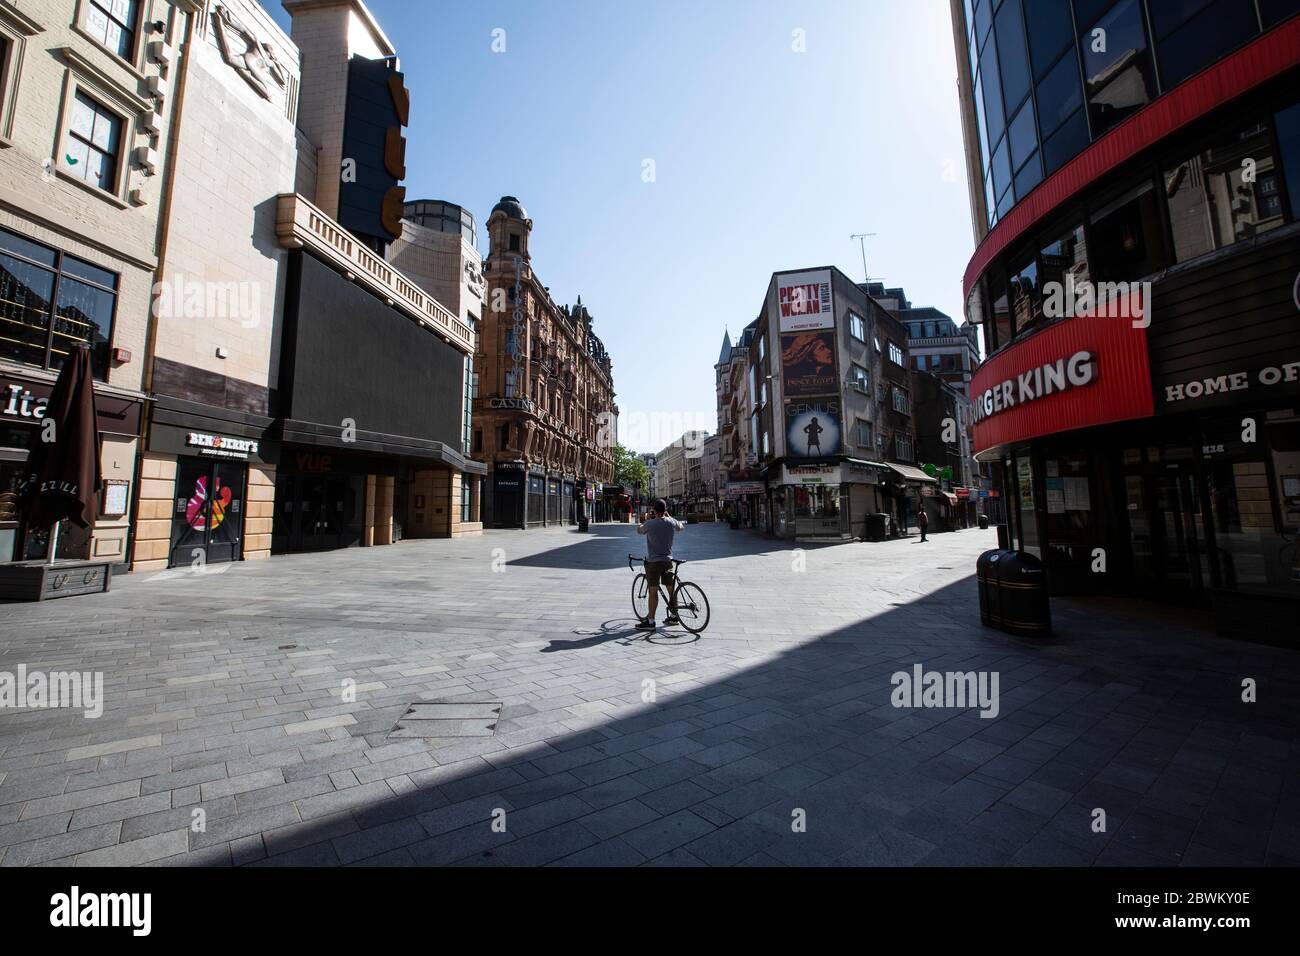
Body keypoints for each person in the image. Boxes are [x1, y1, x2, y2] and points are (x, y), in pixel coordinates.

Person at [636, 497, 685, 630]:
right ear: (665, 510)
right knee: (671, 589)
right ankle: (674, 617)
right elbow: (681, 527)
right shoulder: (670, 521)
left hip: (653, 562)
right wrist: (669, 517)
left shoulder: (650, 524)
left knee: (653, 591)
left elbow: (639, 530)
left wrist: (647, 519)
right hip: (668, 561)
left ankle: (651, 621)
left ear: (654, 510)